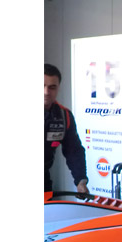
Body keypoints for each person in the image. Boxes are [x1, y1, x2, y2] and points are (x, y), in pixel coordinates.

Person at [44, 63, 89, 194]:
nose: (46, 92)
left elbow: (73, 151)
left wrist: (80, 180)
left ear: (58, 88)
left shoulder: (64, 116)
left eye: (52, 87)